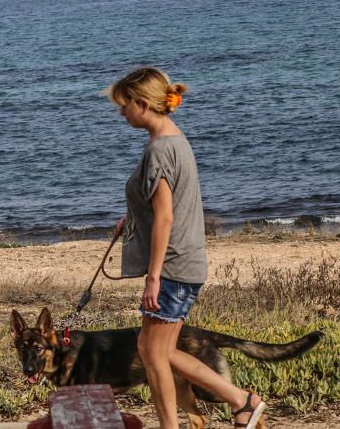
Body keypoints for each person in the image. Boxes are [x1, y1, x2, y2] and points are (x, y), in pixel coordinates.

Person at [108, 67, 265, 429]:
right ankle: (243, 402)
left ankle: (187, 421)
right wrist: (130, 217)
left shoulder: (160, 151)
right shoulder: (175, 140)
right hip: (185, 264)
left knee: (153, 354)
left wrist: (154, 276)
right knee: (158, 351)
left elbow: (166, 218)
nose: (121, 113)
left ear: (143, 104)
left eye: (125, 105)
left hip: (174, 269)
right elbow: (162, 205)